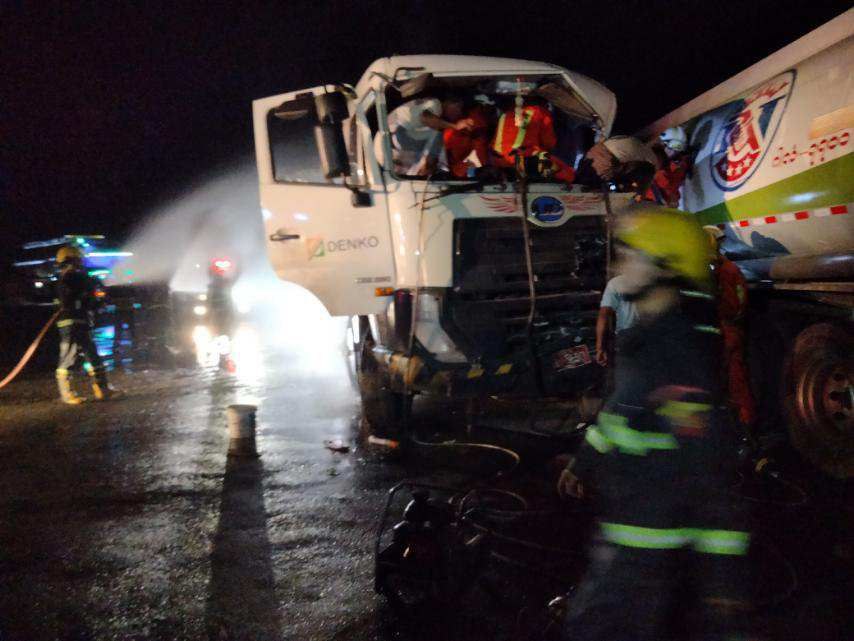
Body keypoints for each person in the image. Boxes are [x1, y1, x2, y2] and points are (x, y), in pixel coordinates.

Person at [558, 209, 752, 641]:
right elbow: (620, 413)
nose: (618, 264)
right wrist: (582, 463)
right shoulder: (648, 342)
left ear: (665, 267)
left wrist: (724, 592)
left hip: (643, 554)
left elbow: (711, 478)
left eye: (630, 254)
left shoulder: (679, 356)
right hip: (624, 541)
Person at [704, 225, 756, 430]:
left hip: (714, 331)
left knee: (713, 379)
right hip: (731, 329)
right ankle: (744, 423)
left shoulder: (703, 270)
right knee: (737, 379)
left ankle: (720, 426)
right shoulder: (731, 269)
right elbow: (741, 301)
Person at [54, 245, 119, 403]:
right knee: (68, 357)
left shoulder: (75, 278)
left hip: (80, 321)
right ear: (70, 260)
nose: (80, 262)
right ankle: (67, 394)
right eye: (78, 259)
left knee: (92, 355)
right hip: (71, 323)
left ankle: (103, 389)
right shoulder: (69, 278)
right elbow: (75, 298)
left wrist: (95, 299)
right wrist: (93, 290)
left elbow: (88, 300)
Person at [376, 94, 474, 176]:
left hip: (398, 148)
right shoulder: (436, 104)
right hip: (400, 136)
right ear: (451, 103)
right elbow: (425, 118)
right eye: (459, 108)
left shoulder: (439, 126)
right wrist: (455, 126)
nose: (459, 114)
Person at [577, 135, 659, 194]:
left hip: (597, 150)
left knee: (579, 182)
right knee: (590, 191)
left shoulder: (643, 147)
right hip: (607, 160)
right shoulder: (653, 164)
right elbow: (642, 189)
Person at [595, 274, 639, 367]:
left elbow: (604, 314)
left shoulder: (616, 283)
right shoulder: (657, 280)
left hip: (628, 335)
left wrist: (600, 348)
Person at [647, 126, 693, 207]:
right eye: (676, 146)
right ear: (664, 144)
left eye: (680, 147)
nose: (676, 151)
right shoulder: (655, 165)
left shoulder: (670, 163)